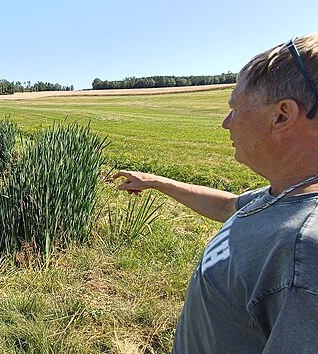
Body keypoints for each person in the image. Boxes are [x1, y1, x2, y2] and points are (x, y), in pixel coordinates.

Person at [113, 32, 318, 353]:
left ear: (282, 115)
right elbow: (228, 206)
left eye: (236, 108)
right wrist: (155, 181)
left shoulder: (303, 252)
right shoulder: (285, 194)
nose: (226, 123)